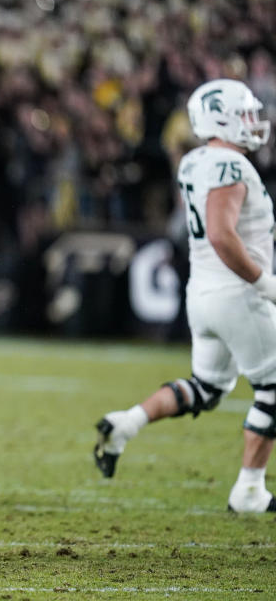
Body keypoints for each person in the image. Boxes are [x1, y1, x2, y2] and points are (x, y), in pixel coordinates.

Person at [94, 79, 276, 513]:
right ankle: (249, 490)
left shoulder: (194, 162)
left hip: (204, 294)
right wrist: (263, 281)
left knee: (207, 387)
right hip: (238, 293)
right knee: (272, 388)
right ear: (222, 117)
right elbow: (220, 234)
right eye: (245, 113)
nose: (254, 122)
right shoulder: (229, 165)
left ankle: (128, 422)